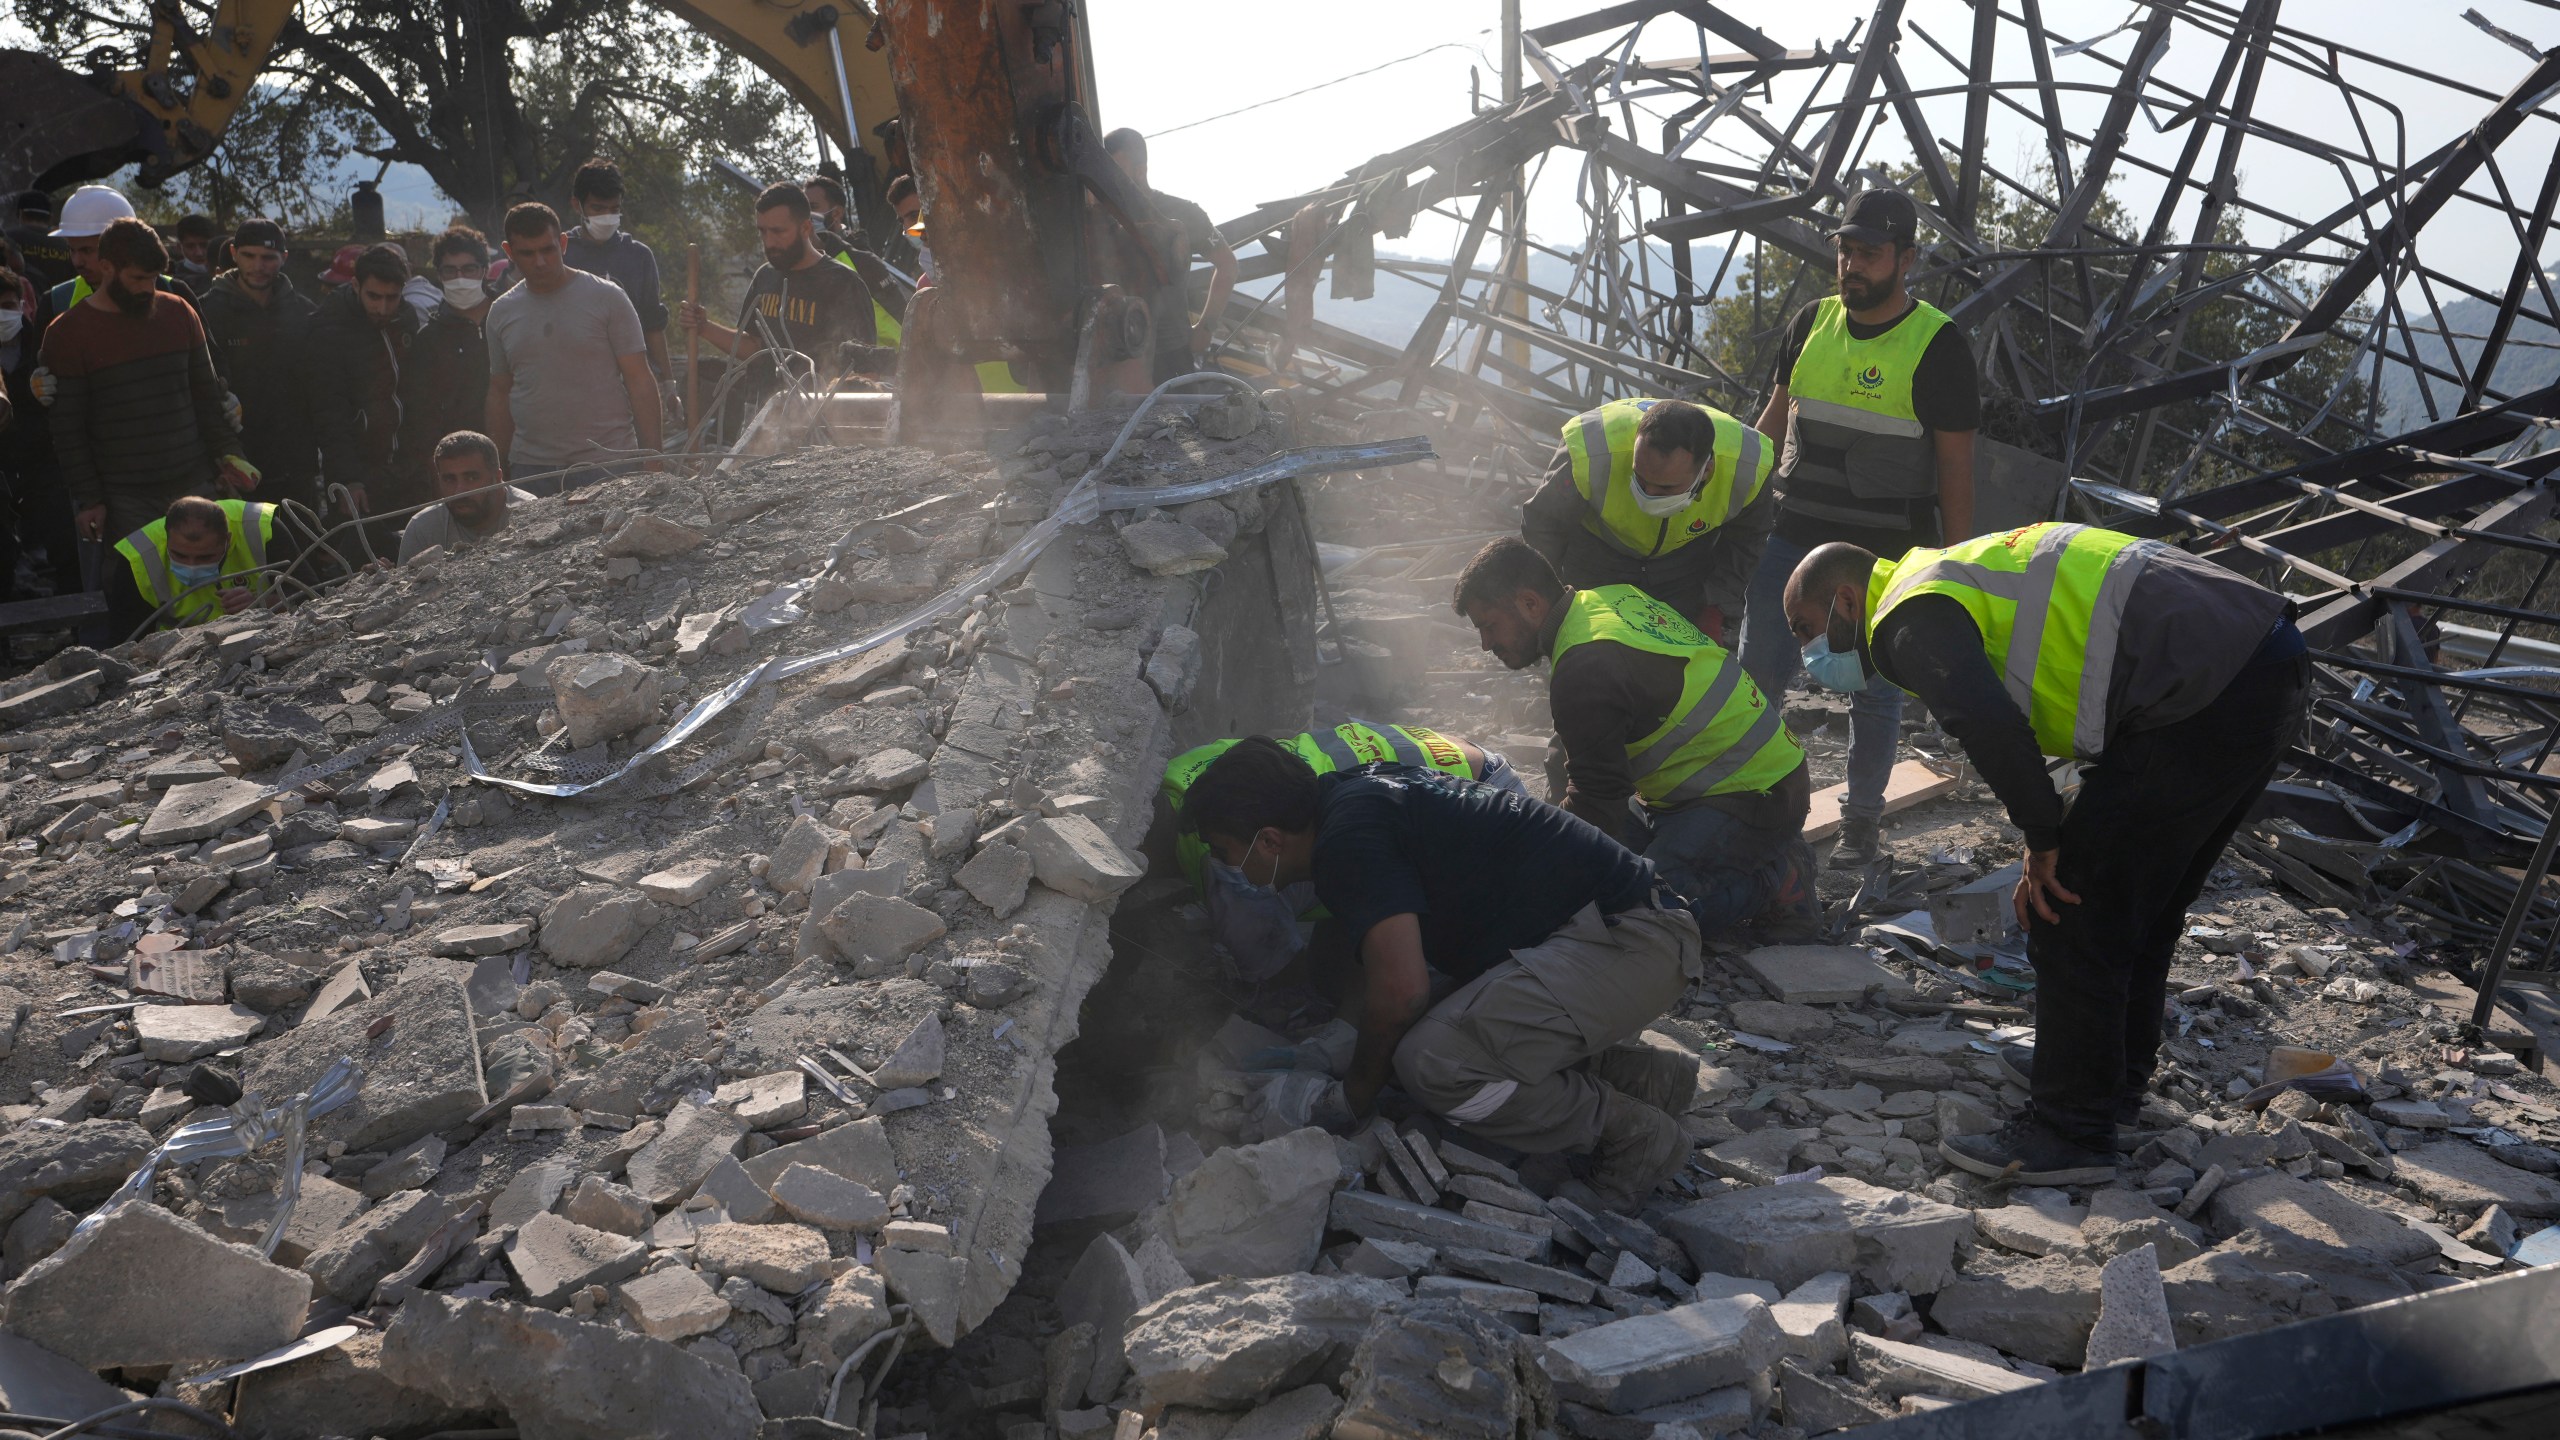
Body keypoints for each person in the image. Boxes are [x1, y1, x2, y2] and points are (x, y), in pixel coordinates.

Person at [1782, 523, 2308, 1183]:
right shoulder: (1949, 577)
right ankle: (2106, 1081)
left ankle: (2069, 1131)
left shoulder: (1906, 618)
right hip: (2259, 658)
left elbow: (1991, 727)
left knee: (2073, 912)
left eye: (1805, 628)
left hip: (2202, 685)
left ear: (1846, 602)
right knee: (2140, 907)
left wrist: (2042, 839)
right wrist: (2054, 822)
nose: (1807, 651)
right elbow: (2051, 709)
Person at [1181, 741, 1702, 1212]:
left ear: (1268, 841)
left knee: (1434, 1064)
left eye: (1225, 853)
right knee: (1424, 1036)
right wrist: (1334, 1047)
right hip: (1620, 933)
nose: (1227, 867)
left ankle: (1632, 1136)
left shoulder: (1347, 843)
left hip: (1632, 943)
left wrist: (1355, 1095)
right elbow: (1380, 968)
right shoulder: (1354, 797)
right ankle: (1645, 1078)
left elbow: (1402, 991)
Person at [1738, 188, 1979, 870]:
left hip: (1881, 559)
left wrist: (1955, 570)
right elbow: (1774, 420)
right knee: (1758, 680)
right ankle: (1751, 811)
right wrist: (1734, 501)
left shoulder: (1938, 345)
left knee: (1874, 695)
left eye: (1868, 254)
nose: (1852, 266)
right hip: (1788, 543)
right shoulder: (1811, 322)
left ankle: (1861, 824)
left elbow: (1957, 469)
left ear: (1906, 259)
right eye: (1845, 251)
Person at [1456, 537, 1816, 942]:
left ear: (1528, 603)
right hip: (1738, 780)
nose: (1486, 644)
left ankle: (1776, 879)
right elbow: (1575, 751)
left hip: (1754, 796)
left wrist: (1539, 876)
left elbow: (1598, 799)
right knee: (1595, 861)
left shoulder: (1586, 664)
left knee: (1638, 918)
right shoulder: (1604, 601)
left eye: (1490, 626)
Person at [1158, 721, 1528, 983]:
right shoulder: (1182, 775)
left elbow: (1280, 976)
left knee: (1428, 1000)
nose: (1223, 858)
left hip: (1489, 815)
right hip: (1466, 762)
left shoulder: (1219, 854)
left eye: (1224, 851)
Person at [41, 219, 253, 546]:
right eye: (137, 278)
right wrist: (89, 499)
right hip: (124, 496)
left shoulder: (180, 313)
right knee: (139, 587)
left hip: (194, 480)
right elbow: (68, 430)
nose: (147, 289)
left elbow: (208, 397)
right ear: (107, 267)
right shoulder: (67, 334)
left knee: (209, 577)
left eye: (153, 278)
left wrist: (229, 454)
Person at [1520, 397, 1775, 643]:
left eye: (1665, 488)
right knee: (1591, 657)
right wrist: (1551, 600)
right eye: (1639, 479)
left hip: (1685, 567)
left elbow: (1747, 540)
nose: (1648, 494)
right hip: (1596, 558)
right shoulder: (1591, 450)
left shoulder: (1746, 467)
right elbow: (1543, 525)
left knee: (1673, 666)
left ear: (1705, 471)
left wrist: (1715, 607)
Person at [485, 202, 662, 492]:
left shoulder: (607, 298)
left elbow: (639, 379)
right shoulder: (501, 313)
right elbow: (499, 391)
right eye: (527, 253)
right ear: (509, 252)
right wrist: (497, 466)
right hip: (532, 471)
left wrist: (654, 461)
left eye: (548, 250)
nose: (540, 262)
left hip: (606, 463)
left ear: (563, 243)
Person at [677, 184, 887, 388]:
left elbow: (866, 372)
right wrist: (704, 327)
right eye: (763, 231)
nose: (769, 242)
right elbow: (755, 347)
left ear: (805, 227)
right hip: (763, 415)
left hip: (820, 416)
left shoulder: (843, 283)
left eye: (778, 232)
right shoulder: (765, 277)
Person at [197, 218, 321, 516]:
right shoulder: (205, 312)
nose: (258, 266)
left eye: (268, 258)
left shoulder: (305, 313)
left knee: (301, 549)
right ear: (233, 252)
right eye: (249, 256)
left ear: (284, 258)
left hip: (296, 460)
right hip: (236, 461)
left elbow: (320, 385)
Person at [1100, 128, 1237, 384]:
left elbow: (1227, 266)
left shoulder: (1184, 213)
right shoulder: (1099, 217)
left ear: (1141, 170)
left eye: (1117, 170)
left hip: (1171, 356)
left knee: (1177, 422)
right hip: (1116, 357)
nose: (1109, 179)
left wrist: (1206, 328)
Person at [308, 242, 418, 523]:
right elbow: (328, 414)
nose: (382, 308)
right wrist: (350, 479)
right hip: (360, 475)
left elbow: (416, 392)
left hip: (407, 467)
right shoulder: (329, 330)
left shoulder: (406, 318)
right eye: (374, 296)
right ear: (355, 285)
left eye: (392, 297)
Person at [563, 160, 675, 417]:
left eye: (614, 209)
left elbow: (653, 325)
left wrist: (669, 385)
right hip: (575, 386)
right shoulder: (561, 253)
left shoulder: (638, 256)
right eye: (597, 208)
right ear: (576, 205)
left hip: (632, 384)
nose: (607, 217)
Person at [106, 493, 303, 637]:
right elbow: (126, 639)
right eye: (179, 555)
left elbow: (311, 597)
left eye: (205, 557)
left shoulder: (262, 528)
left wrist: (265, 603)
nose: (191, 566)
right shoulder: (138, 556)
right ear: (167, 538)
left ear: (227, 540)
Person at [399, 227, 495, 489]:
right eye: (450, 271)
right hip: (460, 468)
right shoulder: (428, 338)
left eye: (469, 268)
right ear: (438, 274)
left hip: (516, 454)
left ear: (484, 270)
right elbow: (420, 413)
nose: (460, 278)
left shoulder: (508, 318)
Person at [398, 431, 535, 562]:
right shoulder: (423, 528)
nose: (459, 491)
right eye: (450, 479)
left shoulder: (531, 513)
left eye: (471, 477)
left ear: (497, 477)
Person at [6, 193, 72, 293]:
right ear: (50, 218)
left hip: (18, 305)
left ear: (21, 214)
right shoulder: (68, 246)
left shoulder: (7, 239)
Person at [169, 214, 216, 293]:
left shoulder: (227, 273)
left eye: (204, 245)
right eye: (190, 246)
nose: (199, 253)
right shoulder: (172, 278)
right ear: (179, 247)